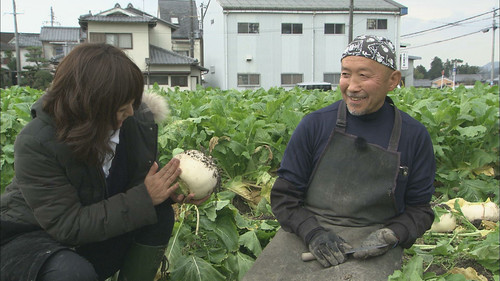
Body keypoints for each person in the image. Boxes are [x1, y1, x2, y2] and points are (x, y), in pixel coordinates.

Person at [0, 43, 208, 281]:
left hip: (92, 229)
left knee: (158, 213)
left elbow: (141, 184)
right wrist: (146, 196)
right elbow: (67, 225)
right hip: (32, 240)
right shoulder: (36, 142)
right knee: (72, 274)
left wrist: (173, 189)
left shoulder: (132, 122)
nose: (131, 111)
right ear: (89, 107)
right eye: (122, 107)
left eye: (132, 102)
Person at [242, 35, 435, 280]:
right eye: (345, 74)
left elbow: (420, 210)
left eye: (364, 76)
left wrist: (392, 235)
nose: (352, 86)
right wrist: (314, 234)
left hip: (370, 245)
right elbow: (284, 197)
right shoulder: (315, 125)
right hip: (307, 231)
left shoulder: (414, 136)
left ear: (393, 80)